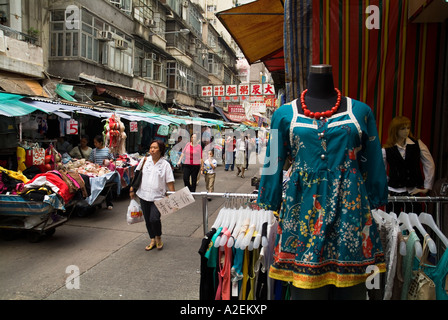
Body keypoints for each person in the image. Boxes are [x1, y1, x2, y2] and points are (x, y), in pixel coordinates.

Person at [257, 64, 388, 300]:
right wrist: (270, 198)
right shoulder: (283, 114)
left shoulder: (361, 111)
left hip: (350, 209)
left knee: (352, 291)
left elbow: (374, 158)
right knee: (306, 291)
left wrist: (377, 193)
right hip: (303, 206)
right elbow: (273, 161)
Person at [382, 116, 435, 212]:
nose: (406, 131)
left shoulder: (417, 144)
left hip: (413, 190)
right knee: (393, 221)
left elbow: (429, 164)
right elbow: (381, 170)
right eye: (403, 128)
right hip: (394, 191)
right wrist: (387, 185)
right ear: (395, 130)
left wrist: (427, 187)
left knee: (414, 221)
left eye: (408, 128)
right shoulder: (386, 149)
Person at [130, 140, 175, 251]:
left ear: (161, 150)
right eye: (151, 147)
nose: (152, 150)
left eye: (155, 147)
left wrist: (173, 197)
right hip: (143, 195)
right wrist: (132, 189)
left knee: (154, 218)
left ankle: (158, 236)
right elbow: (137, 176)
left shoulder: (165, 165)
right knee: (148, 219)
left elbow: (170, 182)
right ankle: (152, 239)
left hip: (158, 197)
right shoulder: (145, 161)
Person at [89, 135, 115, 209]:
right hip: (97, 172)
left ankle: (109, 203)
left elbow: (112, 159)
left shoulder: (107, 150)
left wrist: (107, 162)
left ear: (100, 143)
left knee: (106, 187)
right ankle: (98, 204)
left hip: (106, 172)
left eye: (96, 142)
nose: (94, 144)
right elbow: (91, 160)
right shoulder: (93, 151)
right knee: (98, 187)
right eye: (94, 143)